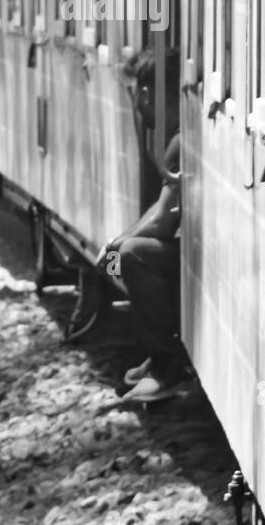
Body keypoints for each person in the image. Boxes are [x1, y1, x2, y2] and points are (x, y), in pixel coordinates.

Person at [67, 48, 193, 402]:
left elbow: (165, 221)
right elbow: (161, 209)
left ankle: (169, 368)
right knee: (128, 248)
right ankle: (158, 356)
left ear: (147, 93)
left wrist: (116, 250)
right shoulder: (179, 136)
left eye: (135, 92)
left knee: (136, 255)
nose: (135, 103)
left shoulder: (178, 143)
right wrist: (114, 243)